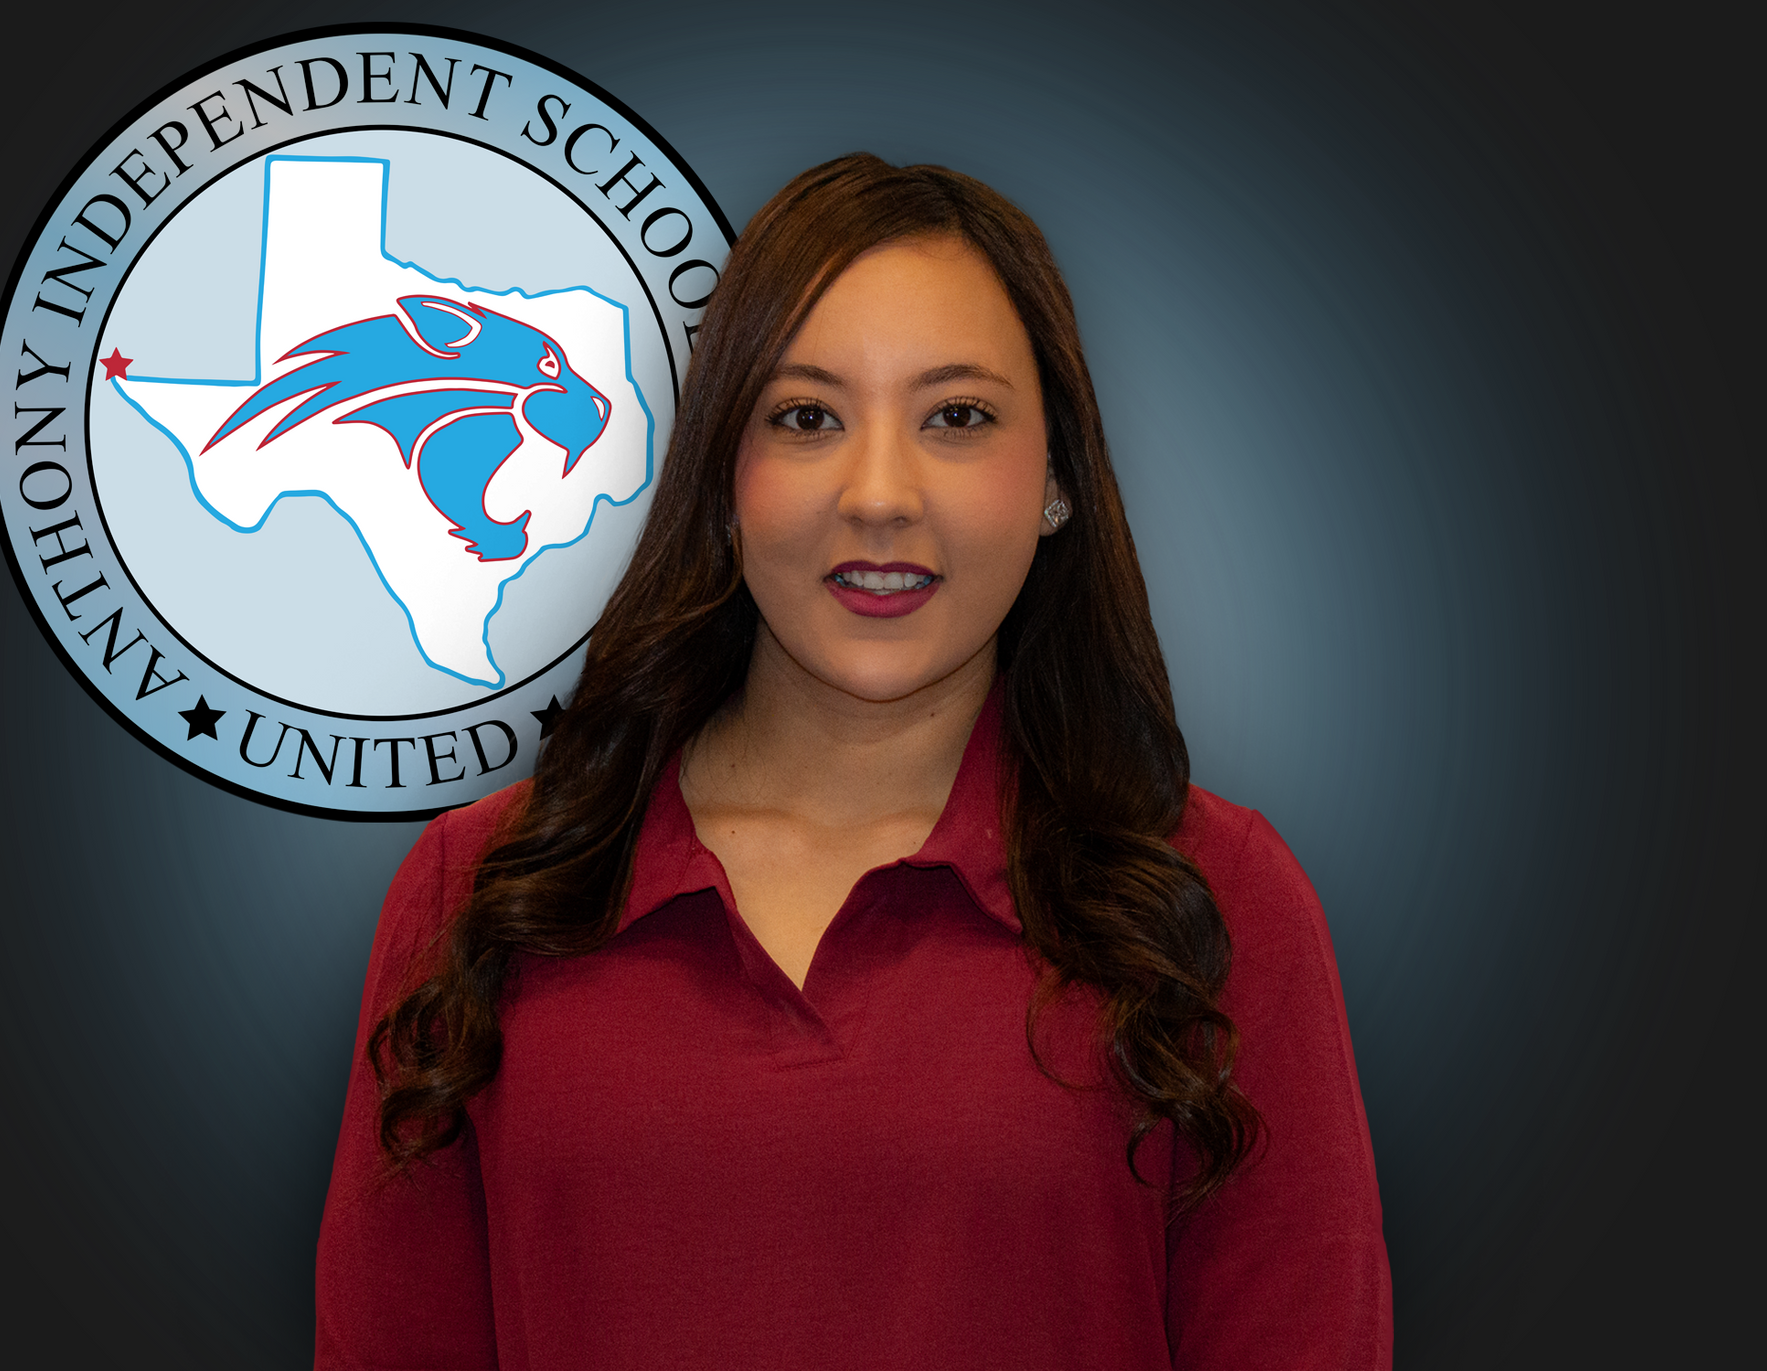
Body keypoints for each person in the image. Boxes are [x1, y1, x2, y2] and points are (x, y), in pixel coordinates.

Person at [316, 153, 1391, 1370]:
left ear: (1056, 481)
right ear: (724, 479)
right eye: (808, 418)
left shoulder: (1219, 901)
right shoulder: (485, 893)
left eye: (958, 418)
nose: (880, 495)